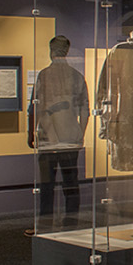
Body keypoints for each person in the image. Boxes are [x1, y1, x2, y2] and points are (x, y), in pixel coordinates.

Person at [27, 35, 91, 233]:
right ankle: (71, 223)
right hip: (69, 138)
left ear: (51, 50)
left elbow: (34, 107)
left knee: (47, 184)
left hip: (49, 139)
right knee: (70, 182)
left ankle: (46, 223)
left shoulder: (44, 75)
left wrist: (31, 133)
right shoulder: (76, 76)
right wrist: (80, 133)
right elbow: (85, 110)